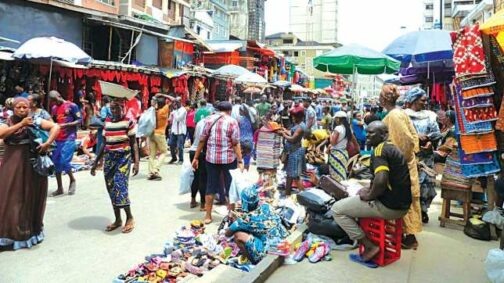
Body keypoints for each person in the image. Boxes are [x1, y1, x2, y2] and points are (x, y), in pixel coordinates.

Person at [331, 121, 411, 262]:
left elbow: (381, 181)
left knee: (337, 209)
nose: (367, 136)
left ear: (384, 134)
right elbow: (387, 180)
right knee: (357, 195)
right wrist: (369, 189)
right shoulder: (392, 148)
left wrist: (368, 195)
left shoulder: (379, 151)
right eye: (366, 132)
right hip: (402, 205)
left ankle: (369, 246)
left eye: (371, 133)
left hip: (389, 207)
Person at [0, 97, 60, 250]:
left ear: (29, 108)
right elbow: (2, 134)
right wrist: (21, 124)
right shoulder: (7, 120)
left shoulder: (35, 120)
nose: (21, 110)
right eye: (18, 107)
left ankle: (28, 233)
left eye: (24, 107)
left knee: (29, 196)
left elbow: (56, 127)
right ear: (13, 108)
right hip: (12, 163)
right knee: (10, 196)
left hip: (31, 164)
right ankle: (8, 233)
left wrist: (47, 143)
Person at [380, 84, 421, 249]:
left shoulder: (395, 115)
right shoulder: (397, 113)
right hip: (404, 164)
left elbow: (406, 141)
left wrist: (396, 161)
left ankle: (409, 236)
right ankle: (404, 234)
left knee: (404, 199)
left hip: (402, 167)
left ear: (383, 99)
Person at [91, 99, 139, 234]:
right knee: (111, 187)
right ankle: (118, 219)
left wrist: (136, 162)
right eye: (112, 109)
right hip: (109, 158)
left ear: (123, 108)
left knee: (120, 185)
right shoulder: (107, 123)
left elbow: (133, 143)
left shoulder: (128, 122)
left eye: (117, 108)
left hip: (123, 157)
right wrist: (96, 163)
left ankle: (129, 217)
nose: (114, 111)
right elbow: (103, 144)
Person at [192, 101, 243, 224]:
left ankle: (208, 216)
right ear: (229, 111)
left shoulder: (208, 120)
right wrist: (240, 160)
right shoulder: (232, 121)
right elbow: (235, 143)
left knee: (211, 186)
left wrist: (196, 157)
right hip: (228, 159)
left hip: (211, 159)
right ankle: (231, 216)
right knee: (229, 186)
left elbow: (201, 140)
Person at [404, 87, 442, 225]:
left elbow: (437, 133)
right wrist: (415, 136)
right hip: (411, 156)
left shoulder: (430, 115)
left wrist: (430, 141)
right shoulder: (404, 115)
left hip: (426, 157)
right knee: (412, 184)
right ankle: (411, 212)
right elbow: (401, 133)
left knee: (426, 185)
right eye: (422, 100)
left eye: (425, 100)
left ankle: (423, 211)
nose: (424, 103)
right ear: (414, 100)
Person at [225, 186, 289, 264]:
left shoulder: (246, 219)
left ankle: (254, 262)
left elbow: (227, 233)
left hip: (273, 250)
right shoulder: (267, 206)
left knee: (238, 235)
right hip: (285, 241)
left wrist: (234, 220)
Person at [49, 90, 81, 196]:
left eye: (55, 100)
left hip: (69, 137)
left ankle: (72, 180)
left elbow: (79, 120)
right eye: (52, 101)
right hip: (57, 138)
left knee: (64, 161)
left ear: (59, 96)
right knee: (56, 162)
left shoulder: (72, 106)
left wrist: (67, 125)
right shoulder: (54, 109)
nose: (54, 102)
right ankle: (59, 187)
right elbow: (53, 122)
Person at [280, 106, 307, 196]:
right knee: (289, 174)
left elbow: (292, 139)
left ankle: (304, 195)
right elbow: (291, 133)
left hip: (295, 153)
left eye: (294, 116)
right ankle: (287, 193)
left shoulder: (301, 126)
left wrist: (284, 134)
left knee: (295, 175)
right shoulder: (297, 125)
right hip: (291, 152)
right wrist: (285, 131)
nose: (292, 118)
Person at [148, 94, 170, 180]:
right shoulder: (164, 110)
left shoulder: (153, 111)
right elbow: (173, 100)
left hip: (152, 133)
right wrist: (163, 94)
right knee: (164, 152)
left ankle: (150, 172)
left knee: (152, 154)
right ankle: (155, 170)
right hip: (160, 133)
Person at [189, 118, 208, 210]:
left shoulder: (200, 122)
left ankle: (193, 200)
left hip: (192, 150)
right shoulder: (210, 123)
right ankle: (203, 204)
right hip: (201, 152)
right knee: (203, 178)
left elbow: (194, 136)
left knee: (196, 176)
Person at [328, 111, 351, 182]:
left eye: (335, 119)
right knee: (342, 174)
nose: (335, 120)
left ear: (338, 119)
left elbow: (333, 143)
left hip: (336, 155)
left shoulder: (338, 128)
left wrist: (330, 134)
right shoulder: (348, 129)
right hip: (344, 153)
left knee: (335, 177)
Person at [169, 100, 187, 165]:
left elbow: (178, 118)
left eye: (176, 103)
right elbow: (170, 120)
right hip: (174, 130)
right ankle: (174, 158)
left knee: (180, 146)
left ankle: (181, 159)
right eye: (174, 103)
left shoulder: (183, 110)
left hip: (181, 131)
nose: (175, 104)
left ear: (180, 102)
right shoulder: (174, 110)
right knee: (171, 144)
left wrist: (174, 113)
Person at [238, 104, 255, 171]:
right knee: (247, 160)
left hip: (241, 141)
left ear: (242, 111)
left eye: (240, 110)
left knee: (239, 160)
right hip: (249, 141)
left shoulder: (239, 120)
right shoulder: (252, 120)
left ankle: (240, 174)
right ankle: (246, 173)